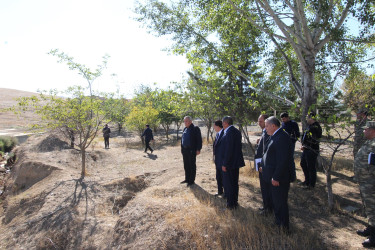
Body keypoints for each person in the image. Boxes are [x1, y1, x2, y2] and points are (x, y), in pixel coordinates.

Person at [261, 116, 294, 230]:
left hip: (279, 178)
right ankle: (278, 221)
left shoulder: (282, 138)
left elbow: (282, 161)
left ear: (273, 126)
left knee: (280, 202)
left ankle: (283, 227)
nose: (265, 129)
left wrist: (276, 177)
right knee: (276, 201)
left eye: (266, 126)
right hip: (273, 176)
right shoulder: (275, 135)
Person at [354, 121, 375, 248]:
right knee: (369, 207)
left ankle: (373, 237)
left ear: (372, 130)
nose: (363, 131)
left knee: (373, 208)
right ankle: (371, 227)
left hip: (371, 182)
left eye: (365, 129)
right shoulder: (369, 142)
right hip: (365, 181)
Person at [221, 116, 245, 210]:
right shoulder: (236, 131)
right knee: (234, 183)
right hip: (235, 163)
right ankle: (234, 202)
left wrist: (225, 163)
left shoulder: (229, 133)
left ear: (225, 123)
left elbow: (228, 150)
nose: (222, 125)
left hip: (230, 164)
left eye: (223, 123)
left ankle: (231, 204)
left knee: (229, 184)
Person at [254, 114, 272, 214]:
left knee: (267, 187)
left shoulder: (269, 133)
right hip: (261, 163)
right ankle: (266, 205)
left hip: (265, 165)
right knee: (263, 187)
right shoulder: (264, 131)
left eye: (260, 121)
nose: (259, 123)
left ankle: (268, 208)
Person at [300, 112, 322, 189]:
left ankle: (311, 185)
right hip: (306, 149)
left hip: (311, 150)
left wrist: (306, 146)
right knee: (303, 164)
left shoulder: (315, 127)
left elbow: (314, 140)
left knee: (311, 167)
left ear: (311, 118)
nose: (306, 119)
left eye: (307, 117)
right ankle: (307, 181)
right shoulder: (310, 126)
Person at [181, 116, 202, 187]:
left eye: (186, 121)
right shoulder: (185, 129)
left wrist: (198, 149)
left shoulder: (195, 128)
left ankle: (191, 180)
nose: (185, 122)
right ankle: (187, 179)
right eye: (184, 121)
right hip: (185, 150)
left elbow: (199, 139)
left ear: (190, 121)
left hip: (191, 150)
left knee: (192, 165)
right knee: (186, 165)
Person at [213, 120, 225, 197]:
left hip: (222, 160)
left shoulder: (224, 134)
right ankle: (220, 191)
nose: (213, 127)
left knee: (224, 177)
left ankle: (226, 192)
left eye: (214, 126)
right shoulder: (218, 134)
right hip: (217, 160)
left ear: (218, 126)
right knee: (218, 176)